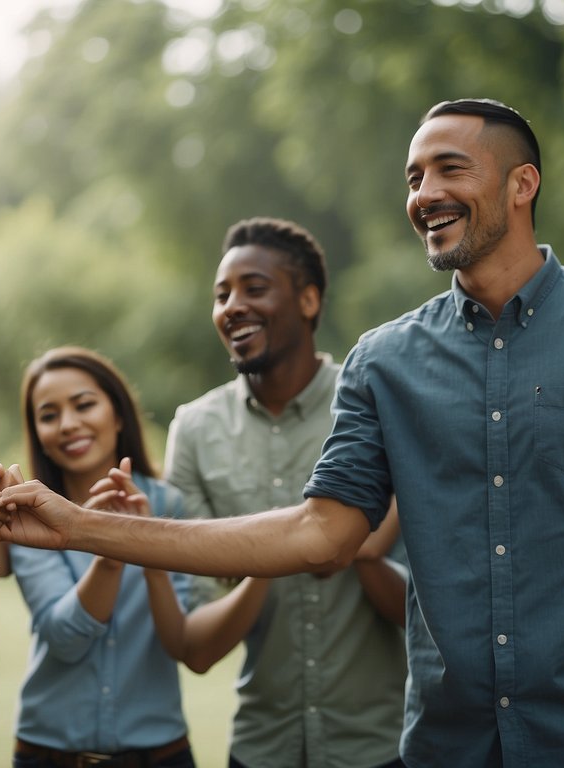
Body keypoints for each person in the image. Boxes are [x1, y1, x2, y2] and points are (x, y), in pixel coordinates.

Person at [0, 98, 564, 768]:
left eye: (450, 168)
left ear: (523, 184)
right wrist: (81, 525)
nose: (424, 192)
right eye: (413, 176)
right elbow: (321, 533)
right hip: (448, 749)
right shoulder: (386, 360)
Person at [163, 217, 407, 768]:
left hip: (382, 748)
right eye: (221, 295)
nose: (232, 307)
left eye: (254, 288)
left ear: (309, 299)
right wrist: (281, 550)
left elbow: (426, 614)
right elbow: (198, 647)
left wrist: (357, 549)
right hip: (259, 748)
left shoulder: (378, 408)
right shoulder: (195, 431)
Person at [9, 347, 195, 768]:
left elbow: (180, 639)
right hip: (49, 755)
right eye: (49, 414)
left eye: (84, 404)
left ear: (118, 414)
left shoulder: (168, 502)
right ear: (37, 431)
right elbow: (65, 639)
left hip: (160, 754)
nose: (69, 424)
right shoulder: (28, 513)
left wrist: (147, 545)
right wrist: (111, 552)